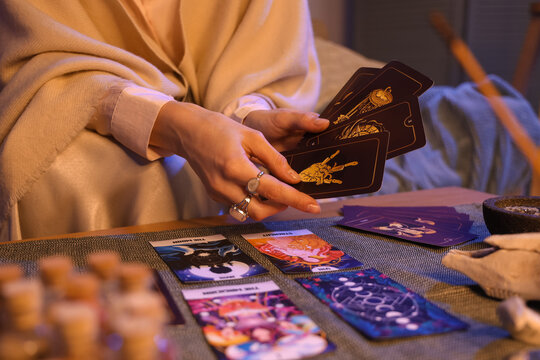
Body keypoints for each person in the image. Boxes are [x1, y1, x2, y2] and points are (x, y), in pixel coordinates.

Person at [0, 0, 329, 241]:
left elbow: (270, 53)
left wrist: (248, 116)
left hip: (219, 115)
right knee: (79, 174)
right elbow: (35, 56)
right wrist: (175, 124)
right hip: (76, 105)